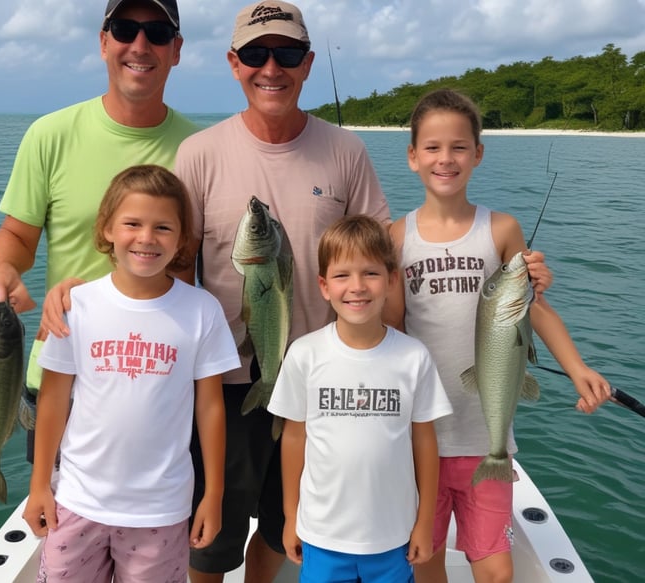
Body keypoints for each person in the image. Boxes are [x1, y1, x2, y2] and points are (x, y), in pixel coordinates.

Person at [173, 3, 395, 581]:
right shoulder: (198, 154)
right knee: (212, 532)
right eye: (255, 53)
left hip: (324, 378)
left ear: (308, 63)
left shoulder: (347, 151)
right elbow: (173, 270)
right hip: (223, 380)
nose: (271, 67)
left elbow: (382, 260)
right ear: (233, 63)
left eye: (288, 53)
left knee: (283, 527)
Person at [384, 88, 611, 583]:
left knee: (497, 570)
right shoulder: (397, 237)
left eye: (460, 147)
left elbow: (536, 309)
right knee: (424, 560)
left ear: (479, 154)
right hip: (419, 434)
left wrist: (577, 368)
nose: (446, 158)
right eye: (433, 147)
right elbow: (393, 330)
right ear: (412, 157)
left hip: (486, 436)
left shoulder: (502, 228)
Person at [0, 0, 197, 455]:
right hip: (60, 374)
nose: (140, 44)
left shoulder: (200, 150)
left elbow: (194, 266)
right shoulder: (48, 135)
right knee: (57, 521)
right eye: (126, 28)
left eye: (157, 32)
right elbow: (16, 236)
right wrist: (4, 270)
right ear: (103, 41)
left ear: (176, 49)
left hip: (160, 377)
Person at [22, 164, 240, 582]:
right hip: (76, 501)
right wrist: (39, 486)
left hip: (162, 508)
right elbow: (52, 400)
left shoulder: (201, 311)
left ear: (182, 240)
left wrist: (212, 495)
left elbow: (211, 409)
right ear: (106, 229)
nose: (146, 238)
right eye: (132, 223)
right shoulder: (75, 306)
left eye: (163, 227)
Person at [267, 215, 453, 582]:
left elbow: (425, 441)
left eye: (370, 273)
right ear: (323, 285)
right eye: (341, 276)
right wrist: (292, 516)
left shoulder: (414, 357)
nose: (357, 287)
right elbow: (294, 437)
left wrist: (424, 521)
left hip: (393, 537)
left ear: (391, 280)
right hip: (321, 535)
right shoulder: (304, 354)